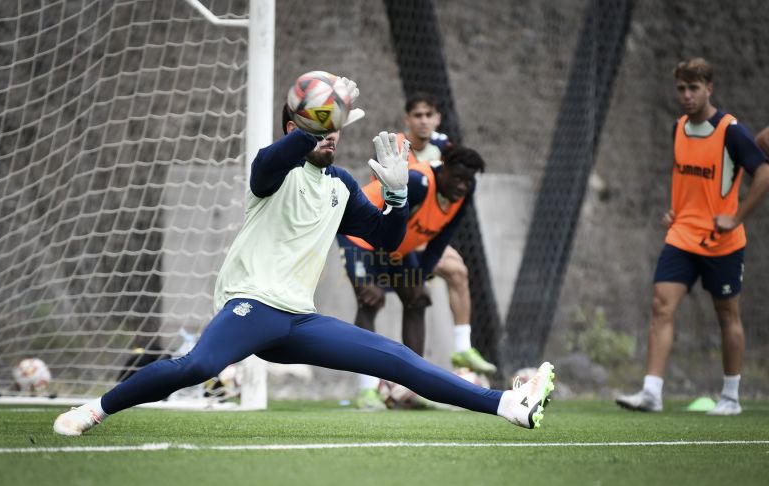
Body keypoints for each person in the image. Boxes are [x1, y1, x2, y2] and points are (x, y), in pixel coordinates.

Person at [53, 76, 555, 436]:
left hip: (297, 319)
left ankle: (509, 406)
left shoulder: (337, 186)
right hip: (251, 304)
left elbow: (384, 238)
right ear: (296, 127)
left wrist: (401, 198)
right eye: (321, 126)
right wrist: (314, 122)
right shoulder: (272, 173)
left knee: (399, 360)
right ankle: (95, 409)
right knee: (196, 366)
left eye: (335, 127)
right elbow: (280, 155)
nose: (331, 134)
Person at [616, 58, 769, 416]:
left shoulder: (732, 130)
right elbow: (687, 178)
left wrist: (737, 217)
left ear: (709, 89)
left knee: (727, 316)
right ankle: (651, 392)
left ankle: (730, 397)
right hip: (682, 235)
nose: (686, 96)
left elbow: (762, 174)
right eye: (681, 89)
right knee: (660, 305)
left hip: (722, 242)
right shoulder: (679, 127)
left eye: (693, 88)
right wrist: (675, 209)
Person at [338, 143, 491, 410]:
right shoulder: (419, 182)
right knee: (371, 299)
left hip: (395, 245)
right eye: (456, 178)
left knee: (418, 297)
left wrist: (417, 276)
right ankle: (367, 391)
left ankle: (410, 386)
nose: (462, 186)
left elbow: (440, 240)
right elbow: (383, 221)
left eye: (468, 181)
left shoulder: (464, 192)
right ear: (442, 168)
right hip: (360, 240)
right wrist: (374, 275)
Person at [398, 93, 497, 376]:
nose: (424, 121)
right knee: (379, 298)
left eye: (429, 114)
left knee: (458, 271)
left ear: (438, 119)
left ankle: (462, 348)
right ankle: (375, 385)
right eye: (418, 115)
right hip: (395, 236)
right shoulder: (396, 148)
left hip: (423, 235)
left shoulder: (445, 150)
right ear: (408, 120)